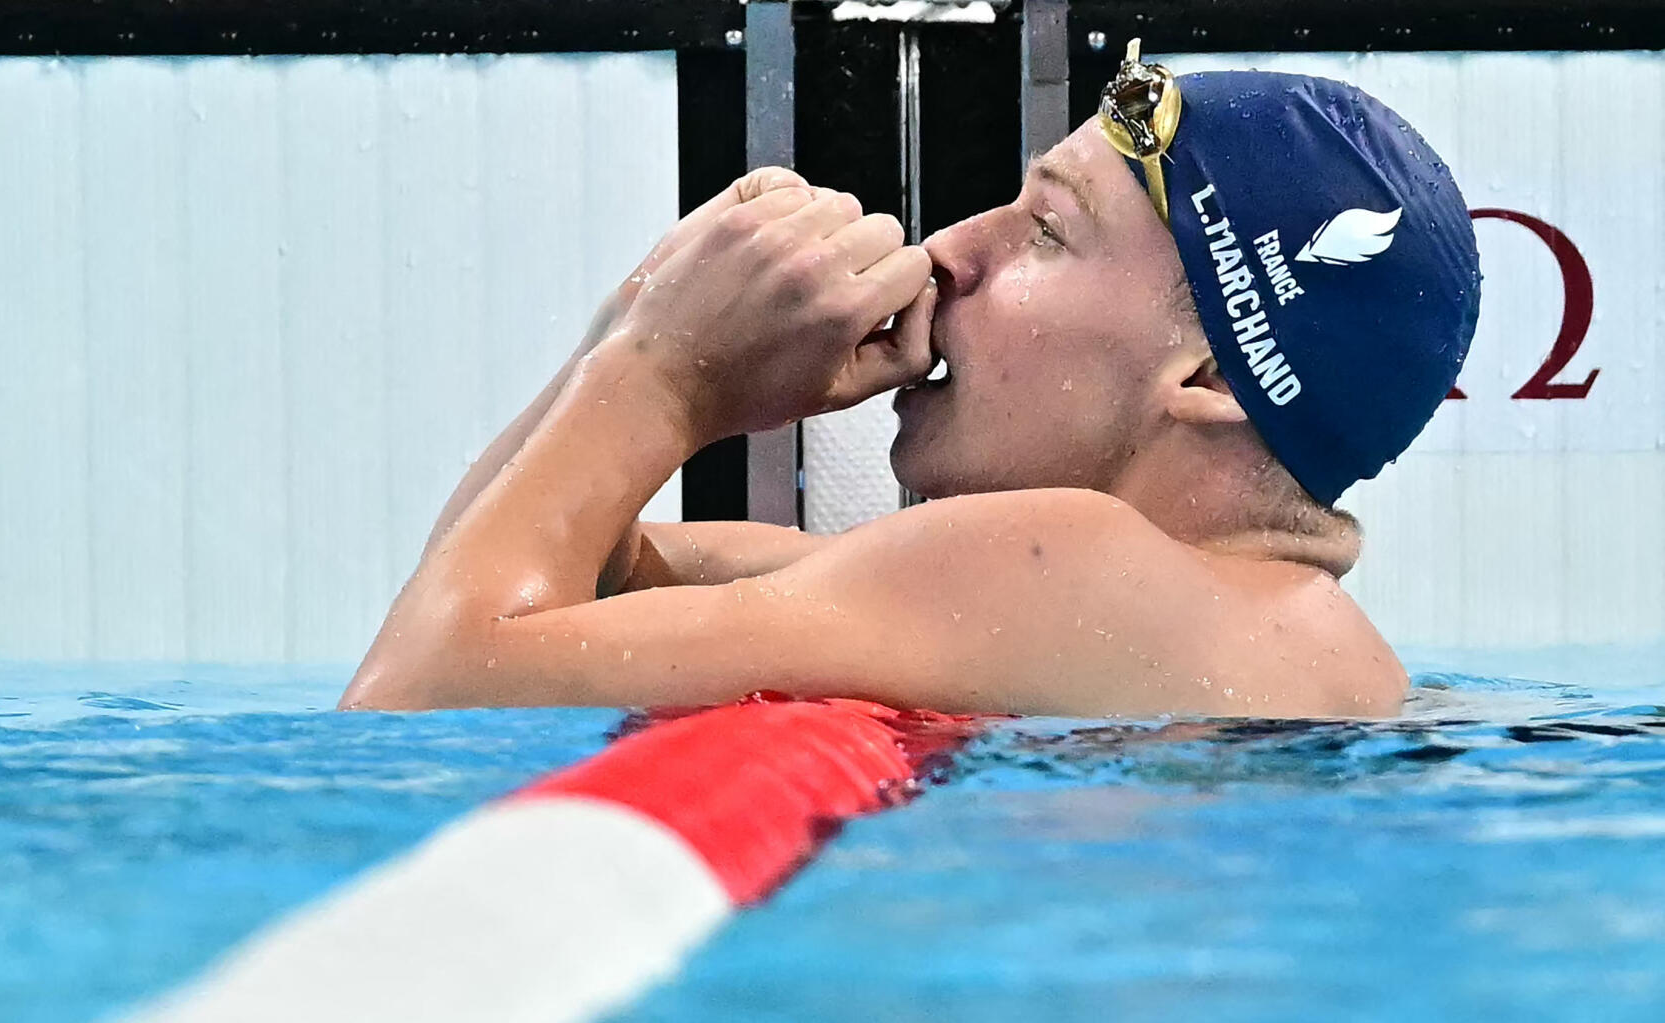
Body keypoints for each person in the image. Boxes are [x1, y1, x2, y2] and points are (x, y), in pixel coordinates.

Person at [339, 44, 1480, 718]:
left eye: (1043, 234)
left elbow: (414, 698)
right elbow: (551, 585)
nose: (948, 251)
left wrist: (660, 380)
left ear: (1209, 380)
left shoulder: (1084, 570)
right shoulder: (1211, 618)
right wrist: (641, 329)